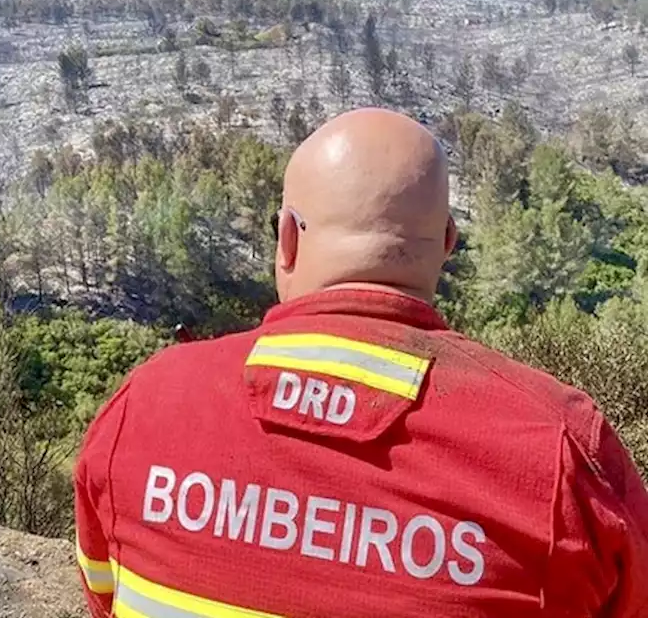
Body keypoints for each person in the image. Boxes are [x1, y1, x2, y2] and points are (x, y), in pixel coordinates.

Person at [73, 108, 648, 617]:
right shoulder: (562, 452)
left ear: (287, 241)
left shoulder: (143, 407)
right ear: (447, 242)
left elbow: (103, 592)